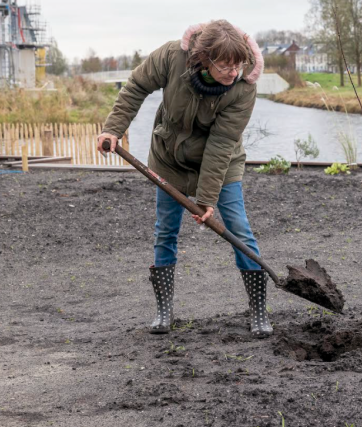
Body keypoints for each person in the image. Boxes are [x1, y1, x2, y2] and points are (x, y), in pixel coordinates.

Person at [96, 20, 271, 337]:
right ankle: (164, 312)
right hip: (170, 160)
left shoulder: (244, 87)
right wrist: (113, 127)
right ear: (205, 58)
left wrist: (206, 200)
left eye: (239, 65)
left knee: (239, 230)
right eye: (225, 66)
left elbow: (221, 143)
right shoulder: (171, 58)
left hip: (222, 162)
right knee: (166, 230)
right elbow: (136, 86)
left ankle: (258, 311)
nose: (234, 73)